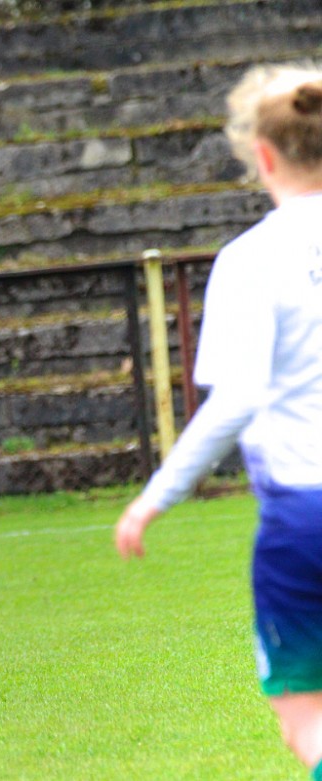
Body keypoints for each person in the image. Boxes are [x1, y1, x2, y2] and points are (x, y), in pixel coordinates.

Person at [114, 62, 322, 777]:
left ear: (261, 154)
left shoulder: (249, 259)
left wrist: (154, 496)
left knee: (305, 715)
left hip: (304, 515)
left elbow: (235, 402)